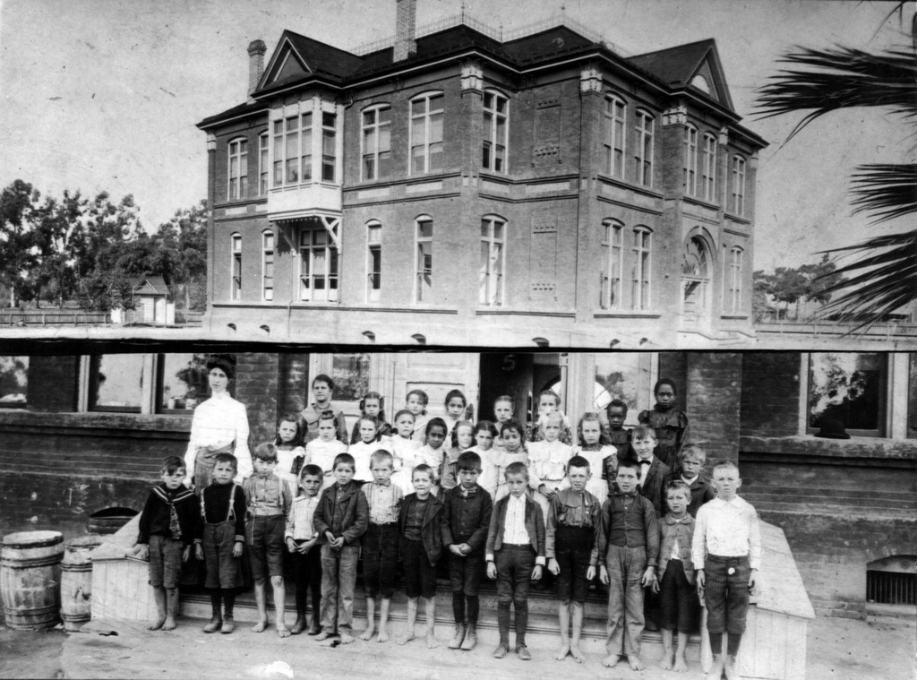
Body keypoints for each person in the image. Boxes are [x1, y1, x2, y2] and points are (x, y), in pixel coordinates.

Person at [693, 461, 761, 680]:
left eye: (731, 479)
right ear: (713, 483)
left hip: (741, 564)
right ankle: (716, 661)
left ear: (738, 482)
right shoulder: (706, 510)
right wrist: (700, 569)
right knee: (714, 611)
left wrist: (755, 569)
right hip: (714, 564)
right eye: (721, 480)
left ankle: (730, 662)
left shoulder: (747, 510)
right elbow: (698, 542)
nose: (726, 484)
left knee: (737, 613)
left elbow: (756, 542)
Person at [597, 458, 659, 672]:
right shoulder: (608, 504)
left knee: (634, 605)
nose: (625, 480)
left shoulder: (645, 504)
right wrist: (601, 564)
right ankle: (614, 651)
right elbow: (602, 535)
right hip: (613, 554)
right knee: (615, 605)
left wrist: (651, 565)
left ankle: (632, 652)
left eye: (630, 476)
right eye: (621, 476)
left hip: (638, 556)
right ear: (615, 478)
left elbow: (652, 535)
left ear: (638, 479)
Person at [486, 461, 545, 661]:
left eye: (519, 482)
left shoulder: (535, 507)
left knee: (520, 600)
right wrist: (490, 560)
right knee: (503, 599)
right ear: (506, 483)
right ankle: (503, 643)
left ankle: (520, 644)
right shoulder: (500, 504)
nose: (515, 486)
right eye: (511, 482)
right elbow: (492, 531)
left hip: (525, 555)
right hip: (503, 554)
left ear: (527, 482)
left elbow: (541, 535)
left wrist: (539, 562)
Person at [133, 455, 200, 632]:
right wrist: (143, 542)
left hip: (175, 543)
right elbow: (145, 519)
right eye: (169, 475)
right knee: (156, 580)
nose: (174, 478)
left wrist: (188, 545)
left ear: (184, 475)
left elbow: (194, 524)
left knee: (171, 581)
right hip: (155, 541)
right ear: (162, 475)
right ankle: (160, 615)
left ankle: (171, 616)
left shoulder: (189, 498)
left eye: (178, 475)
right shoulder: (156, 495)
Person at [546, 455, 600, 664]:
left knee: (578, 599)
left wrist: (593, 563)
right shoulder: (559, 498)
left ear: (589, 476)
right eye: (573, 475)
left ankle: (575, 644)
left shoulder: (594, 503)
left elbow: (597, 536)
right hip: (562, 553)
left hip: (583, 554)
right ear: (567, 475)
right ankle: (564, 643)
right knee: (563, 598)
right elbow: (550, 529)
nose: (577, 479)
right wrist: (551, 557)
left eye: (581, 475)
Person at [313, 453, 369, 645]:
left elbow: (362, 522)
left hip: (348, 548)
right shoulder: (327, 492)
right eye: (340, 470)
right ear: (334, 471)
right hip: (328, 547)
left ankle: (344, 629)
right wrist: (326, 531)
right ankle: (327, 627)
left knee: (346, 591)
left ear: (353, 472)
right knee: (327, 589)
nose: (343, 474)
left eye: (347, 471)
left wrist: (345, 537)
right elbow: (317, 517)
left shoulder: (358, 494)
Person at [442, 451, 493, 651]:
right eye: (464, 473)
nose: (468, 477)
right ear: (457, 473)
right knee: (456, 590)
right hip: (454, 550)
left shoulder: (485, 496)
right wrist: (450, 545)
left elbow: (485, 525)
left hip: (473, 551)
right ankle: (459, 629)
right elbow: (444, 522)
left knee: (470, 591)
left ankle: (472, 631)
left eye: (472, 473)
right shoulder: (450, 494)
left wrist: (471, 545)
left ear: (479, 473)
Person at [243, 443, 293, 637]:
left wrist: (288, 533)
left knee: (277, 577)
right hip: (254, 528)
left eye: (269, 463)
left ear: (275, 464)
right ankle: (262, 617)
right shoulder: (248, 482)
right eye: (261, 462)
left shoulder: (282, 483)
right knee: (259, 576)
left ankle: (280, 622)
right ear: (255, 462)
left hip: (275, 527)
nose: (265, 466)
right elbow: (244, 508)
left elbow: (289, 510)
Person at [183, 355, 252, 491]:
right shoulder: (201, 409)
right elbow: (193, 444)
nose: (216, 379)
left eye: (221, 376)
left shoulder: (237, 408)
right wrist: (188, 474)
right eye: (213, 374)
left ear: (229, 380)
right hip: (202, 464)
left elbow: (241, 443)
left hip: (225, 465)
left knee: (223, 504)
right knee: (203, 504)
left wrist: (240, 474)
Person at [195, 452, 246, 635]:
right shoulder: (204, 492)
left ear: (234, 473)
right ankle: (215, 617)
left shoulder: (236, 491)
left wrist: (239, 541)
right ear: (213, 471)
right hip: (208, 536)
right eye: (220, 469)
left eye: (228, 470)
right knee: (212, 577)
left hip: (229, 537)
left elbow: (241, 519)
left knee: (227, 576)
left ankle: (228, 616)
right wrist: (198, 544)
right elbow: (198, 522)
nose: (224, 473)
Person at [396, 464, 444, 649]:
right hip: (409, 547)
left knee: (429, 594)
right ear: (412, 482)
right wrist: (403, 546)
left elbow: (440, 531)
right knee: (412, 592)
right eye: (417, 480)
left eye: (425, 480)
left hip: (428, 551)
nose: (421, 483)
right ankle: (410, 631)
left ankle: (430, 634)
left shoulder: (437, 505)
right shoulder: (406, 500)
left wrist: (436, 550)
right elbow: (401, 524)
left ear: (432, 482)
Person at [652, 481, 698, 672]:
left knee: (685, 613)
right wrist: (654, 574)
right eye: (671, 498)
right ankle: (668, 652)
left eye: (679, 497)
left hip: (688, 574)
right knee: (667, 610)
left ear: (688, 499)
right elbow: (652, 550)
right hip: (665, 572)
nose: (675, 501)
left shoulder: (695, 524)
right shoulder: (660, 523)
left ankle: (680, 655)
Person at [360, 450, 403, 643]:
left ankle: (383, 628)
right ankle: (370, 626)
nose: (380, 474)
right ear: (370, 470)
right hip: (370, 534)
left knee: (386, 580)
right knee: (369, 580)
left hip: (389, 535)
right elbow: (360, 517)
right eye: (376, 470)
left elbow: (400, 519)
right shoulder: (364, 490)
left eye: (384, 470)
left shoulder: (398, 490)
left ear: (391, 470)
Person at [285, 464, 324, 636]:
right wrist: (288, 538)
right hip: (298, 547)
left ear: (321, 483)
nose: (312, 485)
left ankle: (316, 619)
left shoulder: (322, 503)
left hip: (314, 546)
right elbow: (290, 523)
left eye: (316, 482)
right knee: (300, 584)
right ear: (301, 483)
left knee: (316, 584)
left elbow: (324, 525)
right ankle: (300, 618)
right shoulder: (296, 502)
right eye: (308, 481)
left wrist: (314, 540)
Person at [528, 411, 573, 526]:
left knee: (556, 524)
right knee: (538, 523)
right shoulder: (534, 447)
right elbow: (529, 471)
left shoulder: (567, 450)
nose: (552, 431)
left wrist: (558, 490)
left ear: (561, 429)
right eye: (548, 427)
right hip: (539, 491)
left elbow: (569, 475)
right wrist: (540, 486)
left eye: (555, 427)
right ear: (542, 429)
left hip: (558, 492)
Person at [638, 378, 689, 470]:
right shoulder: (648, 416)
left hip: (672, 460)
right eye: (661, 394)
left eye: (669, 395)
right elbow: (641, 440)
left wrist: (677, 464)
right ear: (655, 396)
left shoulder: (679, 418)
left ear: (675, 396)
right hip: (652, 456)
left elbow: (682, 443)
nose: (665, 398)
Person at [573, 412, 616, 504]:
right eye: (587, 431)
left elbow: (613, 479)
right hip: (579, 494)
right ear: (581, 432)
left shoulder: (607, 452)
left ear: (601, 431)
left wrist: (611, 501)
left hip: (600, 494)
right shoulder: (577, 451)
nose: (590, 435)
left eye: (594, 430)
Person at [631, 425, 671, 519]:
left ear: (655, 443)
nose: (642, 447)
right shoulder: (628, 465)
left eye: (646, 442)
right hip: (631, 519)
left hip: (654, 520)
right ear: (632, 444)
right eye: (638, 443)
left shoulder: (664, 470)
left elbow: (665, 502)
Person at [304, 411, 349, 490]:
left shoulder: (341, 447)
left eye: (329, 428)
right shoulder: (312, 445)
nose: (325, 431)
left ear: (336, 429)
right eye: (322, 428)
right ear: (318, 428)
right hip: (313, 481)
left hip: (332, 481)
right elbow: (305, 464)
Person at [301, 374, 348, 445]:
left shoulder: (337, 412)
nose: (319, 391)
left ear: (330, 391)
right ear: (313, 390)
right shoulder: (307, 412)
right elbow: (300, 438)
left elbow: (343, 439)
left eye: (323, 388)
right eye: (316, 388)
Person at [671, 444, 715, 518]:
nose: (690, 467)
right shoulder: (672, 482)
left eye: (695, 463)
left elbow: (710, 512)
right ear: (681, 462)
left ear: (702, 466)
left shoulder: (705, 487)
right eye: (687, 462)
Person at [349, 414, 391, 486]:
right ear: (359, 430)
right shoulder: (353, 448)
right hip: (355, 483)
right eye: (364, 429)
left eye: (370, 429)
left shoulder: (380, 448)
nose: (366, 433)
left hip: (373, 484)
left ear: (376, 431)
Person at [493, 420, 528, 501]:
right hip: (503, 489)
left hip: (521, 489)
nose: (511, 441)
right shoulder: (499, 456)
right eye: (507, 438)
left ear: (521, 437)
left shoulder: (524, 457)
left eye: (514, 437)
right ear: (502, 439)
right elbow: (495, 477)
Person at [390, 409, 421, 495]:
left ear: (414, 425)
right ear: (396, 424)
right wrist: (400, 463)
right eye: (403, 422)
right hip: (395, 478)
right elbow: (389, 463)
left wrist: (403, 461)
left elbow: (418, 464)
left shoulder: (417, 444)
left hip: (411, 478)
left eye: (409, 423)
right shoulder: (391, 442)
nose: (406, 425)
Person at [274, 413, 306, 494]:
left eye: (291, 430)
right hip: (273, 482)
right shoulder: (274, 446)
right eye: (284, 429)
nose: (287, 433)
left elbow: (300, 472)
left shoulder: (298, 450)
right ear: (278, 430)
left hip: (290, 484)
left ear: (296, 433)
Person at [468, 420, 499, 498]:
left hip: (490, 496)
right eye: (481, 437)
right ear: (475, 436)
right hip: (470, 495)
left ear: (493, 438)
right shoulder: (468, 454)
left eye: (488, 438)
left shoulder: (497, 455)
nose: (484, 441)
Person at [441, 420, 474, 491]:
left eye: (469, 435)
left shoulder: (475, 453)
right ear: (456, 436)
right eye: (462, 435)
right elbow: (446, 480)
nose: (466, 438)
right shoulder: (451, 454)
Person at [418, 417, 449, 495]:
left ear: (444, 437)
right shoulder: (421, 452)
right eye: (433, 435)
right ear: (427, 435)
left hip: (441, 490)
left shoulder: (446, 454)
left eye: (440, 436)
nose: (436, 439)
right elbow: (420, 471)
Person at [604, 398, 634, 463]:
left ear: (625, 416)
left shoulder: (629, 435)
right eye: (612, 416)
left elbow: (633, 458)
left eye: (619, 416)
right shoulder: (602, 434)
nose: (615, 420)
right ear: (607, 416)